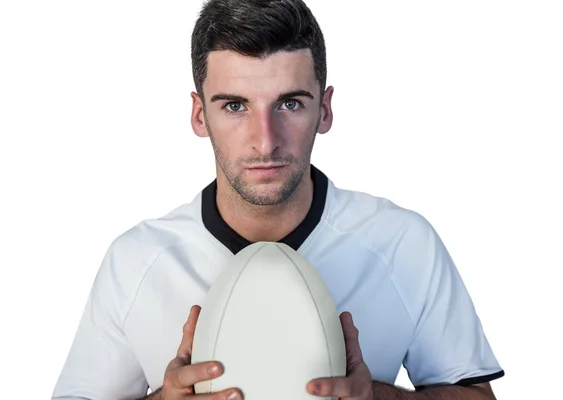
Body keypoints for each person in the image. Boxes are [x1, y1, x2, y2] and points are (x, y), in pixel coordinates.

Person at [52, 0, 505, 399]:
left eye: (289, 104)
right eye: (235, 106)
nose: (265, 141)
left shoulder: (404, 243)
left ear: (324, 109)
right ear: (198, 114)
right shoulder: (136, 259)